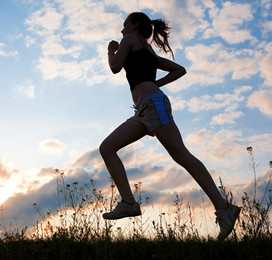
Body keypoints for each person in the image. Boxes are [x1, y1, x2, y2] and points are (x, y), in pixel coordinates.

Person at [100, 12, 240, 240]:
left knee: (181, 155)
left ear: (135, 25)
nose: (122, 30)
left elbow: (115, 67)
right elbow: (179, 70)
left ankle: (224, 208)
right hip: (144, 110)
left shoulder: (129, 40)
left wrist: (111, 50)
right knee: (107, 147)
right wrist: (155, 83)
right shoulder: (148, 51)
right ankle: (128, 203)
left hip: (154, 105)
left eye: (124, 25)